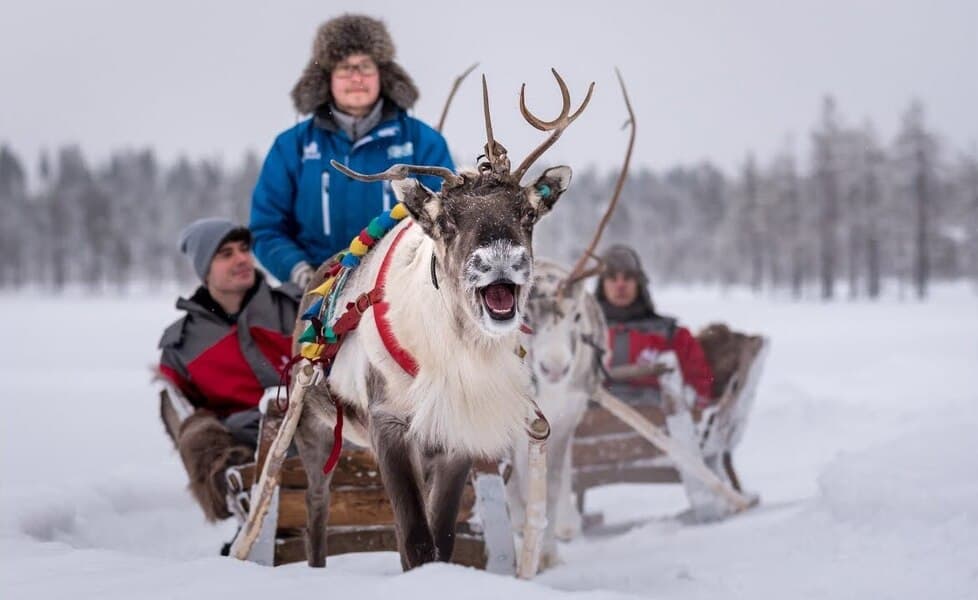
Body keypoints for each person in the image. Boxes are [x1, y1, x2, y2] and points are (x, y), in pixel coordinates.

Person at [250, 14, 455, 287]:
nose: (356, 77)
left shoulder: (423, 141)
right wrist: (299, 271)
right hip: (310, 294)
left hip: (399, 291)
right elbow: (267, 228)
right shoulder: (292, 147)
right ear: (326, 78)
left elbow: (445, 218)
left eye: (365, 67)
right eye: (345, 68)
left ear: (383, 75)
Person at [158, 218, 300, 522]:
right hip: (248, 452)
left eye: (244, 249)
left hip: (322, 432)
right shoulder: (182, 346)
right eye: (226, 254)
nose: (241, 259)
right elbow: (180, 415)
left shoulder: (296, 308)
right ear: (204, 268)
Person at [594, 244, 715, 410]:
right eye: (613, 278)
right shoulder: (584, 332)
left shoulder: (671, 334)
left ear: (639, 283)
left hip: (656, 421)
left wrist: (695, 406)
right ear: (602, 285)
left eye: (628, 278)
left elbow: (700, 386)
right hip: (592, 418)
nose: (620, 285)